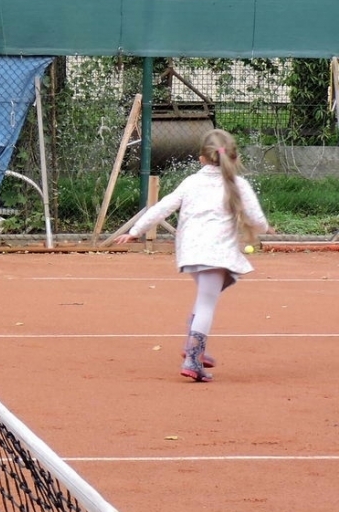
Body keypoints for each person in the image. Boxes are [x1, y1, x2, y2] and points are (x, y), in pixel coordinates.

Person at [110, 128, 270, 383]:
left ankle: (195, 346)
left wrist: (136, 231)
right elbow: (258, 220)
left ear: (201, 158)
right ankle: (193, 358)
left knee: (206, 297)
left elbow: (161, 207)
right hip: (216, 253)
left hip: (191, 252)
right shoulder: (238, 184)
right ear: (233, 157)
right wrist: (264, 228)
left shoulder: (192, 182)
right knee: (207, 303)